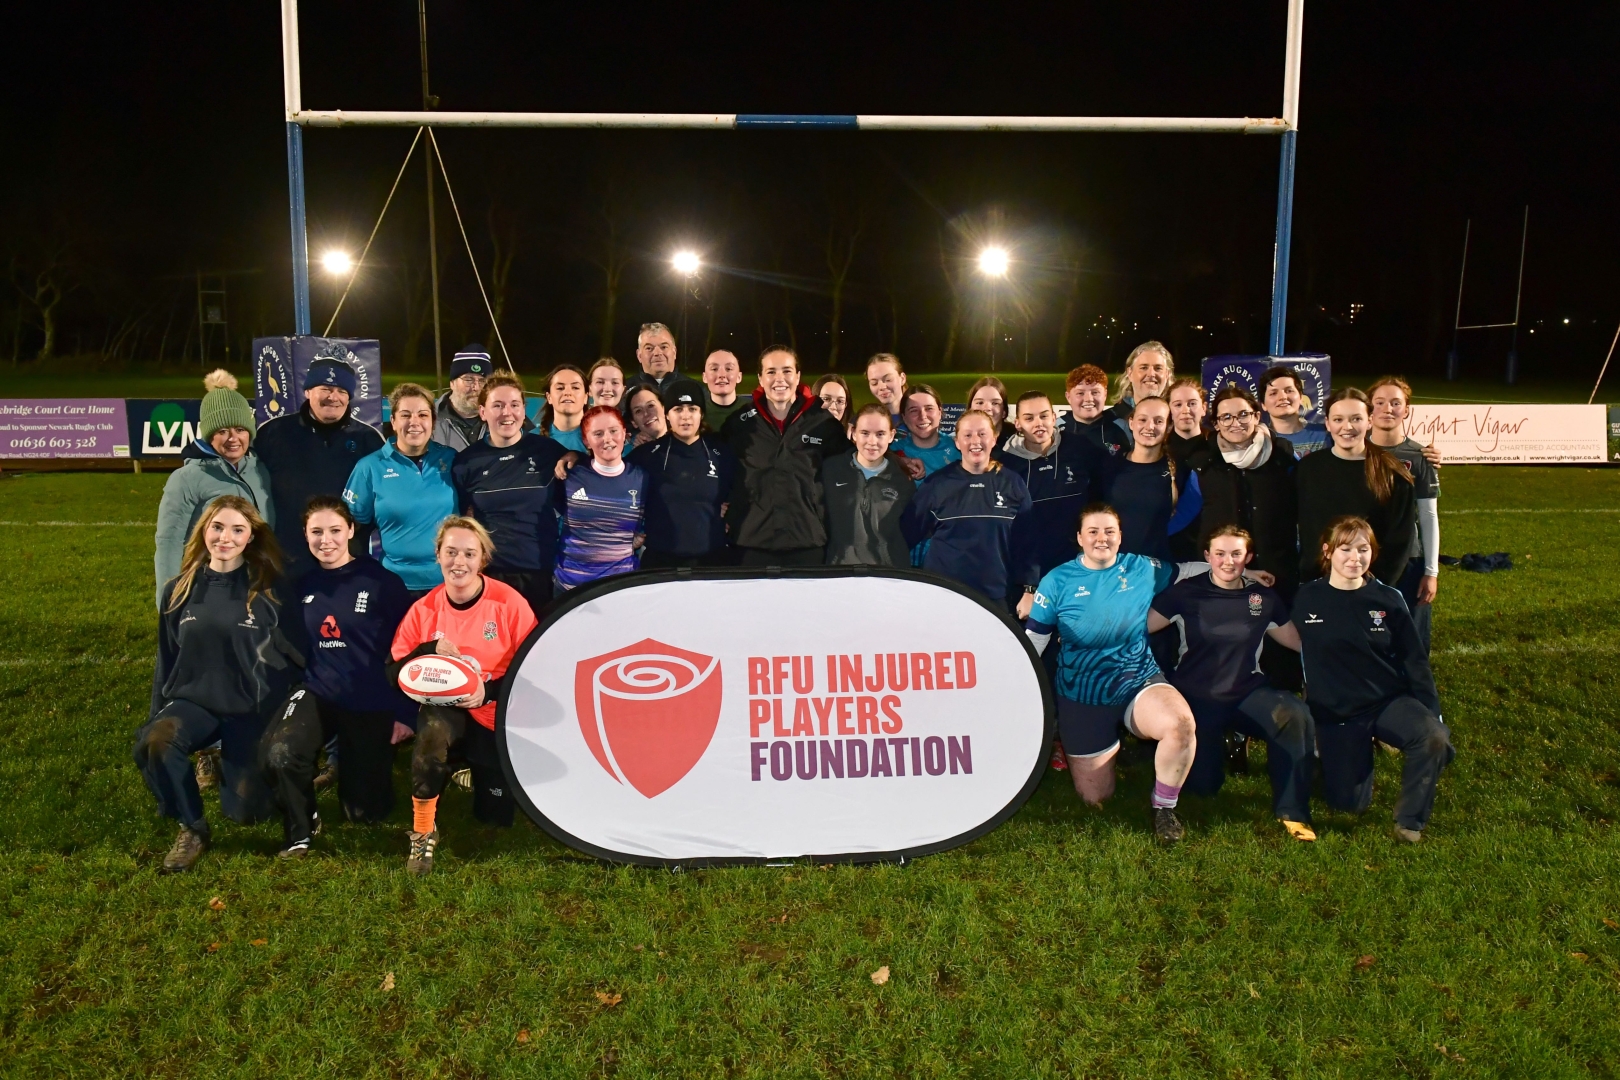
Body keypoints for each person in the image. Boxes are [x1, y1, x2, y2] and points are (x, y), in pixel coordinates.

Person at [137, 496, 300, 871]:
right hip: (197, 704)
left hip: (251, 709)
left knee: (248, 814)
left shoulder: (269, 590)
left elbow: (298, 656)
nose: (225, 537)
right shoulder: (178, 590)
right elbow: (167, 660)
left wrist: (294, 720)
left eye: (237, 530)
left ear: (250, 538)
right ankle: (192, 827)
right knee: (158, 739)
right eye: (218, 527)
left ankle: (239, 764)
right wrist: (154, 718)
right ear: (204, 531)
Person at [1024, 503, 1202, 843]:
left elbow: (1185, 570)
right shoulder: (1057, 580)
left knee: (1180, 725)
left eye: (1109, 531)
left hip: (1137, 679)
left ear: (1121, 537)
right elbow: (1036, 639)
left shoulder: (1142, 568)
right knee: (1095, 800)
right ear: (1079, 538)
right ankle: (1103, 744)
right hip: (1083, 692)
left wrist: (1243, 574)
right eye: (1093, 531)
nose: (1101, 538)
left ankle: (1164, 807)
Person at [257, 497, 413, 856]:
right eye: (316, 532)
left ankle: (359, 779)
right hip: (319, 691)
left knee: (364, 812)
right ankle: (302, 825)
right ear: (305, 535)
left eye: (334, 530)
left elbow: (410, 648)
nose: (325, 540)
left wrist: (405, 714)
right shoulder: (301, 586)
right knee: (279, 753)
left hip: (368, 698)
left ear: (351, 531)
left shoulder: (382, 582)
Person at [388, 518, 538, 875]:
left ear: (482, 558)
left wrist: (487, 691)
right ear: (437, 556)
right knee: (432, 738)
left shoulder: (508, 603)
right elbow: (393, 671)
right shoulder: (424, 609)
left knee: (494, 816)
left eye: (469, 553)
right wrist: (428, 648)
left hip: (494, 710)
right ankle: (424, 831)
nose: (459, 562)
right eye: (450, 552)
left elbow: (536, 666)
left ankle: (470, 768)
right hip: (446, 710)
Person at [1147, 525, 1316, 841]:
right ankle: (1220, 746)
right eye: (1220, 554)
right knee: (1204, 787)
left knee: (1292, 714)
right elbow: (1138, 627)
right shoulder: (1185, 592)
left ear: (1248, 557)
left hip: (1245, 693)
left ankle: (1293, 811)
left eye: (1236, 554)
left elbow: (1298, 641)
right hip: (1196, 699)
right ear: (1207, 556)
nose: (1228, 561)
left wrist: (1345, 648)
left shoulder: (1262, 598)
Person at [1294, 517, 1452, 842]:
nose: (1355, 558)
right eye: (1346, 549)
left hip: (1386, 702)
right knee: (1347, 804)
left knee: (1433, 739)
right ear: (1328, 552)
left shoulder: (1389, 600)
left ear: (1373, 553)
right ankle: (1329, 754)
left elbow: (1415, 661)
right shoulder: (1305, 597)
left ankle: (1409, 823)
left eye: (1363, 549)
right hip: (1337, 712)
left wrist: (1432, 712)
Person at [254, 355, 385, 583]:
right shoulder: (273, 434)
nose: (333, 397)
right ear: (307, 391)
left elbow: (384, 498)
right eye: (325, 388)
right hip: (286, 565)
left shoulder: (369, 440)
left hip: (348, 563)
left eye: (342, 391)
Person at [721, 345, 853, 566]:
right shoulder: (740, 424)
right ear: (761, 379)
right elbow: (714, 464)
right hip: (751, 543)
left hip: (807, 542)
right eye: (771, 372)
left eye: (787, 371)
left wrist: (899, 459)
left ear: (798, 376)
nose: (779, 379)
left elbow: (855, 465)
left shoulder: (823, 424)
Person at [154, 370, 274, 607]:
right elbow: (169, 542)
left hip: (255, 584)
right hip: (207, 588)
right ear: (209, 435)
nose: (233, 438)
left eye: (240, 429)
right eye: (222, 431)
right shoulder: (187, 478)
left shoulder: (261, 469)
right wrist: (168, 602)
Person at [451, 372, 568, 613]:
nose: (507, 413)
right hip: (489, 576)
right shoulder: (466, 462)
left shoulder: (548, 451)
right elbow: (463, 519)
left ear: (524, 409)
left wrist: (575, 456)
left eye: (514, 405)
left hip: (540, 574)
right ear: (483, 412)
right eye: (498, 405)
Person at [902, 410, 1035, 607]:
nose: (975, 441)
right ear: (957, 442)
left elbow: (1028, 540)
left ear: (994, 439)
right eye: (967, 435)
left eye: (982, 434)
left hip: (997, 596)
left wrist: (1029, 589)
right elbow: (906, 534)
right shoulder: (937, 484)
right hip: (944, 595)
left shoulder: (1012, 483)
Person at [343, 383, 458, 595]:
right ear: (394, 421)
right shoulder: (370, 467)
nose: (414, 422)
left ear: (433, 422)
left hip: (450, 584)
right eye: (405, 415)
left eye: (423, 415)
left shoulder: (452, 460)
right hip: (394, 585)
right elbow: (353, 531)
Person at [1295, 387, 1415, 587]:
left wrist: (1376, 585)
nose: (1347, 426)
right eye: (1338, 419)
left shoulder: (1391, 473)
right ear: (1327, 423)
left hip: (1368, 586)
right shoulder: (1308, 468)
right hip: (1316, 584)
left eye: (1356, 419)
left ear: (1369, 421)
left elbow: (1400, 540)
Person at [1186, 385, 1298, 595]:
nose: (1235, 423)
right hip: (1222, 575)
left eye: (1243, 415)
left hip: (1278, 573)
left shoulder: (1283, 458)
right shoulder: (1203, 463)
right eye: (1226, 417)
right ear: (1217, 424)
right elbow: (1185, 514)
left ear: (1257, 416)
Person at [993, 390, 1098, 592]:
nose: (1038, 423)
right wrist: (1027, 583)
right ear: (1018, 424)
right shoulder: (1005, 466)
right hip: (1030, 576)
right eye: (1029, 418)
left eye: (1043, 415)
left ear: (1054, 417)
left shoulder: (1079, 448)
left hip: (1079, 567)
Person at [630, 380, 736, 568]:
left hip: (712, 561)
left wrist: (730, 514)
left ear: (701, 413)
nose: (685, 416)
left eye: (692, 409)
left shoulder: (722, 454)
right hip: (661, 563)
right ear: (667, 415)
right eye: (678, 409)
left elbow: (741, 493)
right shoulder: (647, 455)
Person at [1368, 376, 1441, 652]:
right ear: (1369, 409)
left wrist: (1431, 571)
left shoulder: (1421, 456)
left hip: (1409, 558)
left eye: (1396, 403)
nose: (1388, 408)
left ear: (1406, 410)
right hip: (1362, 557)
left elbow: (1429, 516)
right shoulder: (1353, 450)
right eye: (1380, 402)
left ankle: (1415, 690)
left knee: (1411, 635)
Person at [554, 405, 647, 591]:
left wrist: (640, 535)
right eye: (597, 433)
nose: (607, 439)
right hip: (570, 587)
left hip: (619, 587)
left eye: (613, 431)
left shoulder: (641, 478)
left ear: (624, 433)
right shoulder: (570, 475)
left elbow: (650, 520)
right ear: (586, 441)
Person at [1099, 397, 1202, 563]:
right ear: (1131, 423)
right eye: (1143, 419)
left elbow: (1189, 515)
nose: (1150, 426)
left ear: (1169, 427)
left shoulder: (1182, 470)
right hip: (1114, 569)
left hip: (1160, 571)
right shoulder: (1109, 468)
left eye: (1158, 421)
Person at [822, 403, 915, 567]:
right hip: (838, 573)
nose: (872, 441)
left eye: (880, 434)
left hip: (887, 576)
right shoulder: (830, 470)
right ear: (853, 433)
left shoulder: (902, 480)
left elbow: (911, 529)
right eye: (865, 433)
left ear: (891, 435)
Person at [893, 384, 961, 481]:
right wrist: (899, 461)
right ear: (904, 417)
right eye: (914, 410)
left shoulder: (958, 448)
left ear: (939, 412)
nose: (922, 416)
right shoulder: (893, 451)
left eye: (929, 408)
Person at [432, 346, 495, 451]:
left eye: (482, 381)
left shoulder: (503, 418)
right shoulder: (430, 419)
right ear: (452, 383)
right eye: (468, 379)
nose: (476, 387)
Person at [1104, 341, 1175, 434]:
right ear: (1130, 373)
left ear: (1167, 375)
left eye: (1158, 368)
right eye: (1144, 368)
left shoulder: (1177, 419)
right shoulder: (1108, 421)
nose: (1151, 374)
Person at [1062, 364, 1130, 456]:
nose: (1088, 399)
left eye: (1095, 392)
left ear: (1105, 394)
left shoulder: (1123, 427)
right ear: (1068, 397)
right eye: (1080, 393)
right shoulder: (1055, 429)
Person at [1260, 367, 1329, 458]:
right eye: (1273, 393)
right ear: (1263, 405)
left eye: (1289, 391)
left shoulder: (1323, 434)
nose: (1283, 397)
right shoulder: (1259, 440)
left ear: (1301, 397)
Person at [539, 364, 589, 453]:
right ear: (549, 397)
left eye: (575, 387)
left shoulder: (602, 437)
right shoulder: (532, 438)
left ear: (586, 397)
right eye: (560, 388)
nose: (567, 392)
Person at [627, 322, 681, 396]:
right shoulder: (625, 391)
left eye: (664, 347)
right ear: (639, 355)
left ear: (674, 352)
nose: (657, 353)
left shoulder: (694, 389)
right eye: (649, 348)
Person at [701, 349, 748, 432]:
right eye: (714, 369)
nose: (721, 375)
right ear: (704, 377)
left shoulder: (755, 410)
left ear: (739, 377)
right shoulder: (697, 414)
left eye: (729, 369)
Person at [1166, 376, 1208, 463]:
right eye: (1178, 405)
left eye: (1192, 404)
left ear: (1203, 408)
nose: (1185, 410)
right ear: (1169, 411)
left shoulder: (1218, 448)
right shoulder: (1160, 451)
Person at [865, 352, 909, 435]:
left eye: (888, 380)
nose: (882, 387)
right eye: (874, 383)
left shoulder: (922, 414)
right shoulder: (869, 420)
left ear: (902, 378)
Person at [967, 376, 1015, 445]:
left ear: (1004, 411)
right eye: (980, 403)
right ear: (970, 409)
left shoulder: (1020, 442)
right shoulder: (956, 442)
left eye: (995, 403)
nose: (987, 408)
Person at [625, 384, 668, 448]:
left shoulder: (685, 441)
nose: (646, 413)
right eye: (638, 411)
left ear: (663, 408)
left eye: (650, 406)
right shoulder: (627, 454)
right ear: (633, 422)